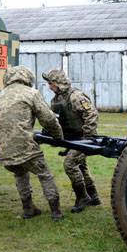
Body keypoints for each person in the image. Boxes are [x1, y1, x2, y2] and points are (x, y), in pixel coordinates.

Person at [0, 66, 64, 221]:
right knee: (45, 175)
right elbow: (48, 119)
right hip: (24, 146)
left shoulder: (1, 95)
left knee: (19, 173)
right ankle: (56, 212)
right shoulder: (31, 93)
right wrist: (58, 137)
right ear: (27, 78)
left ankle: (28, 208)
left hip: (1, 149)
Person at [42, 69, 101, 213]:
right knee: (81, 166)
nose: (49, 87)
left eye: (51, 83)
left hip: (85, 139)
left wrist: (87, 138)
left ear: (58, 83)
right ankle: (93, 196)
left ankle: (82, 197)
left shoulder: (76, 96)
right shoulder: (55, 100)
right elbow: (56, 121)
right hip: (73, 139)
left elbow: (91, 115)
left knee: (69, 164)